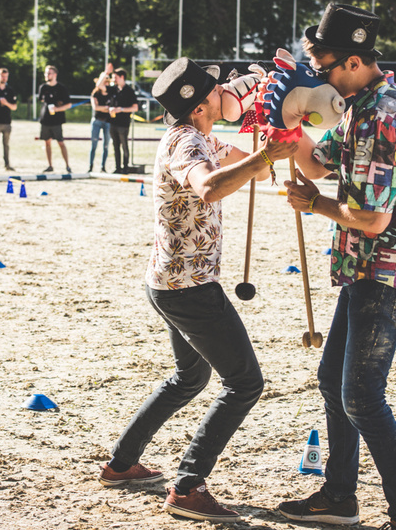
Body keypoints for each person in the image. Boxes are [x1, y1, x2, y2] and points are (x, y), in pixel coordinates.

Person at [99, 57, 291, 522]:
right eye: (218, 92)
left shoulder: (201, 136)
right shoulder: (186, 143)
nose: (228, 95)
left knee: (190, 378)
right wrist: (265, 157)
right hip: (189, 288)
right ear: (203, 103)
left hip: (170, 282)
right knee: (245, 382)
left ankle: (121, 463)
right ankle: (188, 486)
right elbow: (208, 187)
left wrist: (264, 146)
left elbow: (255, 174)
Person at [268, 3, 396, 530]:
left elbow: (372, 219)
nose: (322, 78)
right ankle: (340, 497)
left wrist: (315, 204)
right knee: (331, 381)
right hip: (363, 268)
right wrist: (290, 124)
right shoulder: (359, 107)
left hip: (386, 270)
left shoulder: (386, 115)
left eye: (326, 68)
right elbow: (318, 162)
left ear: (357, 60)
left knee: (361, 395)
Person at [37, 65, 72, 173]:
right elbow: (42, 100)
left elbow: (69, 105)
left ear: (55, 75)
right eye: (46, 73)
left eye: (49, 73)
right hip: (45, 119)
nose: (47, 75)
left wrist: (57, 109)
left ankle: (67, 165)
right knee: (47, 142)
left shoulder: (61, 88)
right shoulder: (43, 87)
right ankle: (50, 165)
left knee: (60, 142)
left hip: (57, 120)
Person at [108, 68, 138, 173]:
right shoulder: (113, 89)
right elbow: (99, 86)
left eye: (115, 77)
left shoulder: (129, 91)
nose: (113, 80)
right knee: (115, 146)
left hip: (123, 124)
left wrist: (121, 109)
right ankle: (117, 168)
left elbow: (135, 107)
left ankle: (125, 167)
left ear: (122, 77)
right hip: (112, 123)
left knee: (124, 145)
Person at [0, 68, 18, 171]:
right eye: (2, 76)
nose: (4, 78)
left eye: (6, 76)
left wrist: (6, 103)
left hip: (6, 122)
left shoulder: (10, 91)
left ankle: (7, 164)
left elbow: (14, 107)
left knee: (6, 145)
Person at [88, 71, 112, 172]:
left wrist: (103, 108)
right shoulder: (95, 93)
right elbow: (96, 107)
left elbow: (110, 107)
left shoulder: (111, 92)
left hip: (107, 122)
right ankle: (90, 166)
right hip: (97, 121)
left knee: (106, 146)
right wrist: (106, 108)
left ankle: (103, 167)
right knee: (94, 145)